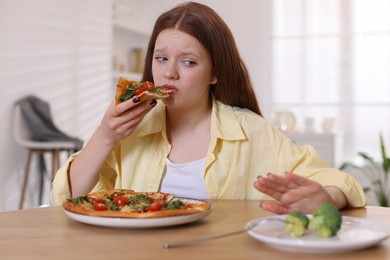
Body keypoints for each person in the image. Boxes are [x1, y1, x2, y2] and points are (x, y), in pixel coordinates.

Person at [50, 1, 366, 214]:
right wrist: (106, 135)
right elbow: (66, 200)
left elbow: (340, 182)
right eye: (161, 58)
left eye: (188, 62)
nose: (169, 72)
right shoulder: (129, 131)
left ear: (214, 72)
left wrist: (328, 197)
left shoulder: (250, 131)